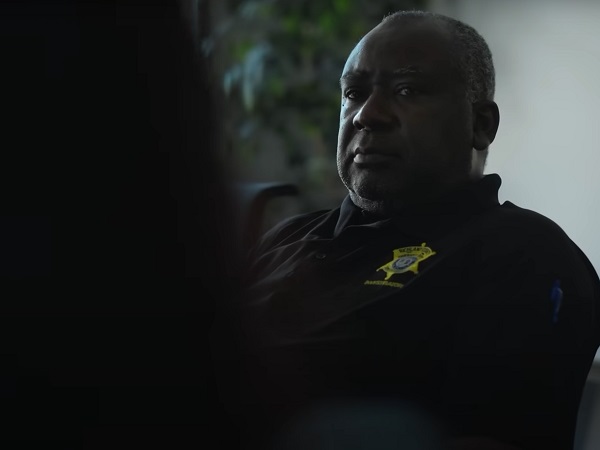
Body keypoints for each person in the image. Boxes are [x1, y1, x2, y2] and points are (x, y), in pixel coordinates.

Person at [237, 10, 600, 450]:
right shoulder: (286, 237)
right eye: (354, 93)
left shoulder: (524, 253)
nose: (367, 115)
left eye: (406, 90)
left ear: (481, 124)